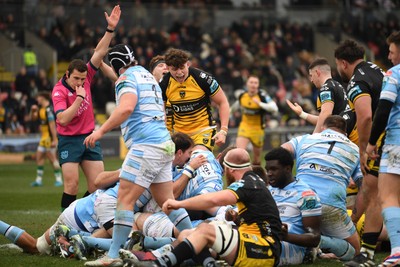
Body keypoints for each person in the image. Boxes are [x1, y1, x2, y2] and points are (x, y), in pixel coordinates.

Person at [83, 44, 192, 267]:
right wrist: (102, 61)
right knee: (167, 202)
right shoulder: (145, 74)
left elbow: (126, 108)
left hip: (146, 146)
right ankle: (195, 240)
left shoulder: (125, 80)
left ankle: (112, 256)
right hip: (164, 144)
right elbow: (122, 79)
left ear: (116, 65)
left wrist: (101, 130)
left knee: (124, 200)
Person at [125, 148, 282, 267]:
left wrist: (179, 204)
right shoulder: (254, 181)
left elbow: (213, 200)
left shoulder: (246, 184)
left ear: (230, 170)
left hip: (263, 250)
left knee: (206, 229)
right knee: (187, 233)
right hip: (255, 245)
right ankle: (209, 264)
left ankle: (157, 264)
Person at [51, 5, 121, 211]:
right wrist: (78, 100)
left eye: (83, 78)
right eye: (76, 79)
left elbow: (99, 53)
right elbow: (62, 119)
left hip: (89, 137)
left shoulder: (86, 77)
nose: (80, 82)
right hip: (70, 140)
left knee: (97, 185)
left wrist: (110, 29)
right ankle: (64, 225)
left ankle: (79, 216)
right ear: (67, 75)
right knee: (71, 185)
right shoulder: (58, 91)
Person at [281, 115, 362, 261]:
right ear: (345, 133)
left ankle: (310, 243)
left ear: (323, 128)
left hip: (300, 198)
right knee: (356, 250)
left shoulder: (305, 139)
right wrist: (355, 216)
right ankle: (319, 241)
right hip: (331, 203)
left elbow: (279, 154)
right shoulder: (355, 149)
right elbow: (364, 187)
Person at [334, 39, 386, 267]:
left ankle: (366, 253)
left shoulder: (357, 81)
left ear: (343, 63)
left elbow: (365, 116)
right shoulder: (378, 70)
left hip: (389, 139)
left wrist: (365, 149)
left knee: (374, 191)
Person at [366, 31, 400, 267]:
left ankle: (397, 250)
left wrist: (370, 142)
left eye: (391, 50)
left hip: (396, 142)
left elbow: (383, 110)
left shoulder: (394, 74)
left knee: (387, 196)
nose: (388, 56)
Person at [159, 48, 230, 151]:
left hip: (203, 131)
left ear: (188, 64)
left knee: (197, 157)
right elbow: (161, 111)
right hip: (180, 135)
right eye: (174, 69)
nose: (179, 73)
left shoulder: (203, 79)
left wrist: (223, 130)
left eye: (182, 67)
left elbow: (223, 102)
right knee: (176, 165)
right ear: (168, 68)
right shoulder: (164, 83)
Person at [265, 147, 321, 265]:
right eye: (267, 169)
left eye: (274, 169)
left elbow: (315, 238)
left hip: (290, 248)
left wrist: (286, 236)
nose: (269, 174)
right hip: (265, 238)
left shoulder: (306, 196)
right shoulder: (268, 191)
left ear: (288, 169)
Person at [286, 58, 351, 137]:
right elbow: (324, 120)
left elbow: (325, 113)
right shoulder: (337, 85)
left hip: (344, 136)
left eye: (311, 75)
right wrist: (302, 114)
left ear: (317, 72)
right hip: (347, 133)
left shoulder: (326, 88)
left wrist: (314, 137)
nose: (311, 80)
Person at [232, 75, 278, 165]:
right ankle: (242, 176)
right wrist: (228, 114)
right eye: (251, 82)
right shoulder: (242, 95)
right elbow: (235, 106)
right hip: (245, 126)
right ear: (247, 84)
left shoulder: (262, 95)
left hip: (258, 129)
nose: (253, 85)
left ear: (258, 85)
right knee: (239, 153)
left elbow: (274, 108)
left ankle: (255, 175)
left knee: (256, 160)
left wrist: (260, 104)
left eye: (255, 83)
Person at [30, 91, 63, 187]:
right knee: (39, 157)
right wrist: (32, 111)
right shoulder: (41, 109)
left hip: (49, 138)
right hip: (43, 138)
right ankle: (38, 180)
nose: (37, 99)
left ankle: (59, 179)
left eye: (38, 97)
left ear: (42, 98)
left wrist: (54, 139)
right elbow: (33, 118)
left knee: (52, 158)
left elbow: (52, 125)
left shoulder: (49, 110)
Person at [149, 55, 172, 133]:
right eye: (160, 65)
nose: (165, 67)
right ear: (152, 72)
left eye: (167, 66)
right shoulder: (147, 91)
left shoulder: (177, 87)